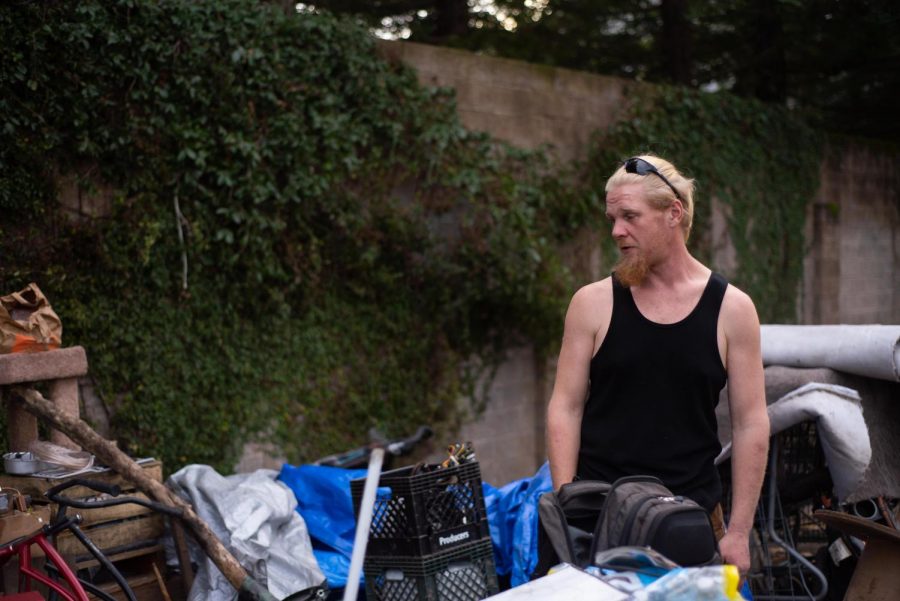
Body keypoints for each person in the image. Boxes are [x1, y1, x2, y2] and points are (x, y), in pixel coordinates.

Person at [545, 154, 770, 574]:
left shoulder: (732, 309)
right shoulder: (592, 303)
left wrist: (739, 531)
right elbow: (566, 407)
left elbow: (751, 423)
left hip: (693, 520)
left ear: (673, 213)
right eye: (612, 217)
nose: (616, 230)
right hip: (601, 520)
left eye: (629, 216)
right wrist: (567, 508)